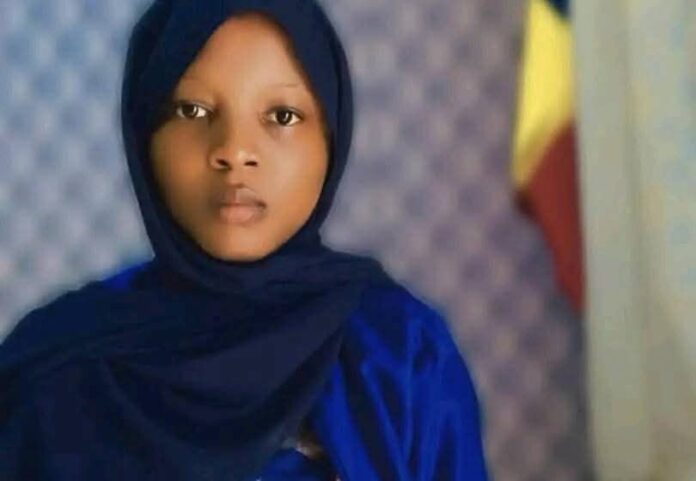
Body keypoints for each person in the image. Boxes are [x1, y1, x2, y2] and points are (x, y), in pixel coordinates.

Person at [0, 1, 489, 480]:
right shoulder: (55, 371)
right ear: (144, 134)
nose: (234, 151)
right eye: (192, 110)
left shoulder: (400, 352)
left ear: (330, 135)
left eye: (282, 116)